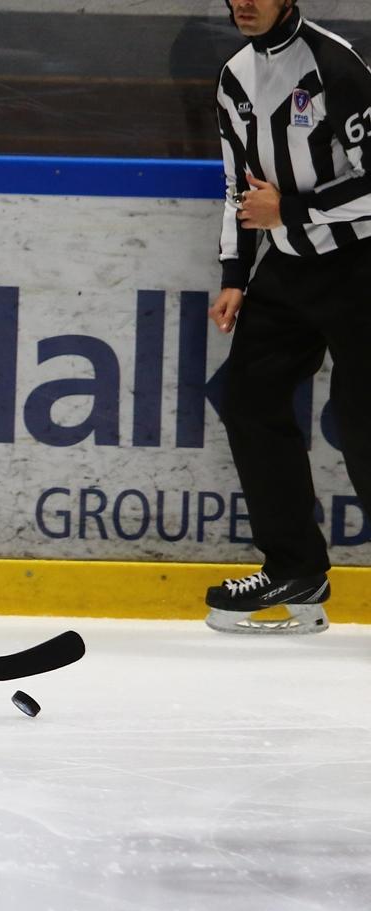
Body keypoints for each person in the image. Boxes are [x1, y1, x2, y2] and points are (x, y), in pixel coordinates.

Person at [205, 0, 371, 634]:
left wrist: (294, 211)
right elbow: (238, 188)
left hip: (360, 271)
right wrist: (233, 274)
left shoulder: (337, 66)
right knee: (249, 401)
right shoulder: (233, 77)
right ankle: (296, 567)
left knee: (363, 428)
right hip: (286, 273)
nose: (243, 2)